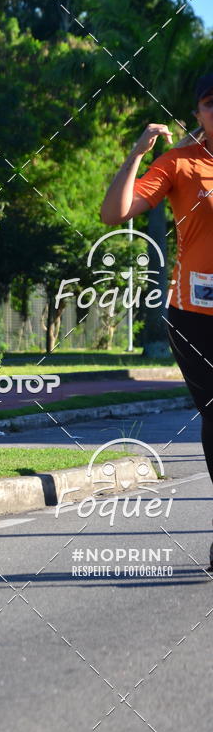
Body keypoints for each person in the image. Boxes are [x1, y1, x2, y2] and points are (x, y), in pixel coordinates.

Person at [101, 73, 213, 572]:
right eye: (212, 104)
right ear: (199, 113)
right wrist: (137, 154)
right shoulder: (179, 164)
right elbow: (114, 212)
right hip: (193, 315)